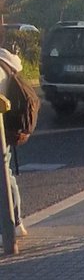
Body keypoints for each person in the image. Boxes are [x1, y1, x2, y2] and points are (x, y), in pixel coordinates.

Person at [0, 48, 28, 239]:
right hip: (7, 129)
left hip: (3, 131)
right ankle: (15, 222)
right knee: (6, 174)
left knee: (5, 176)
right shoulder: (6, 63)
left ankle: (13, 223)